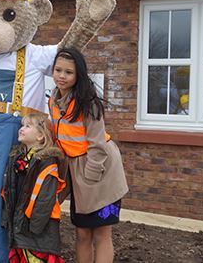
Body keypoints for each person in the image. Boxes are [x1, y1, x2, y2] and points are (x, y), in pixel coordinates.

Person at [49, 48, 128, 263]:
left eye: (68, 72)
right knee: (82, 233)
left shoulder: (88, 104)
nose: (62, 76)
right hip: (79, 176)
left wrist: (90, 178)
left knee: (102, 233)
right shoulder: (53, 102)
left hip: (101, 173)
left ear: (78, 76)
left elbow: (97, 145)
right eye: (58, 70)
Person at [1, 113, 66, 263]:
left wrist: (34, 227)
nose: (21, 129)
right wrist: (7, 218)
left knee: (35, 259)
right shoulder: (17, 159)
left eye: (28, 126)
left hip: (37, 229)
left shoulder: (47, 163)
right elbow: (8, 191)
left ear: (40, 136)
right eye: (22, 125)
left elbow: (45, 199)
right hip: (20, 226)